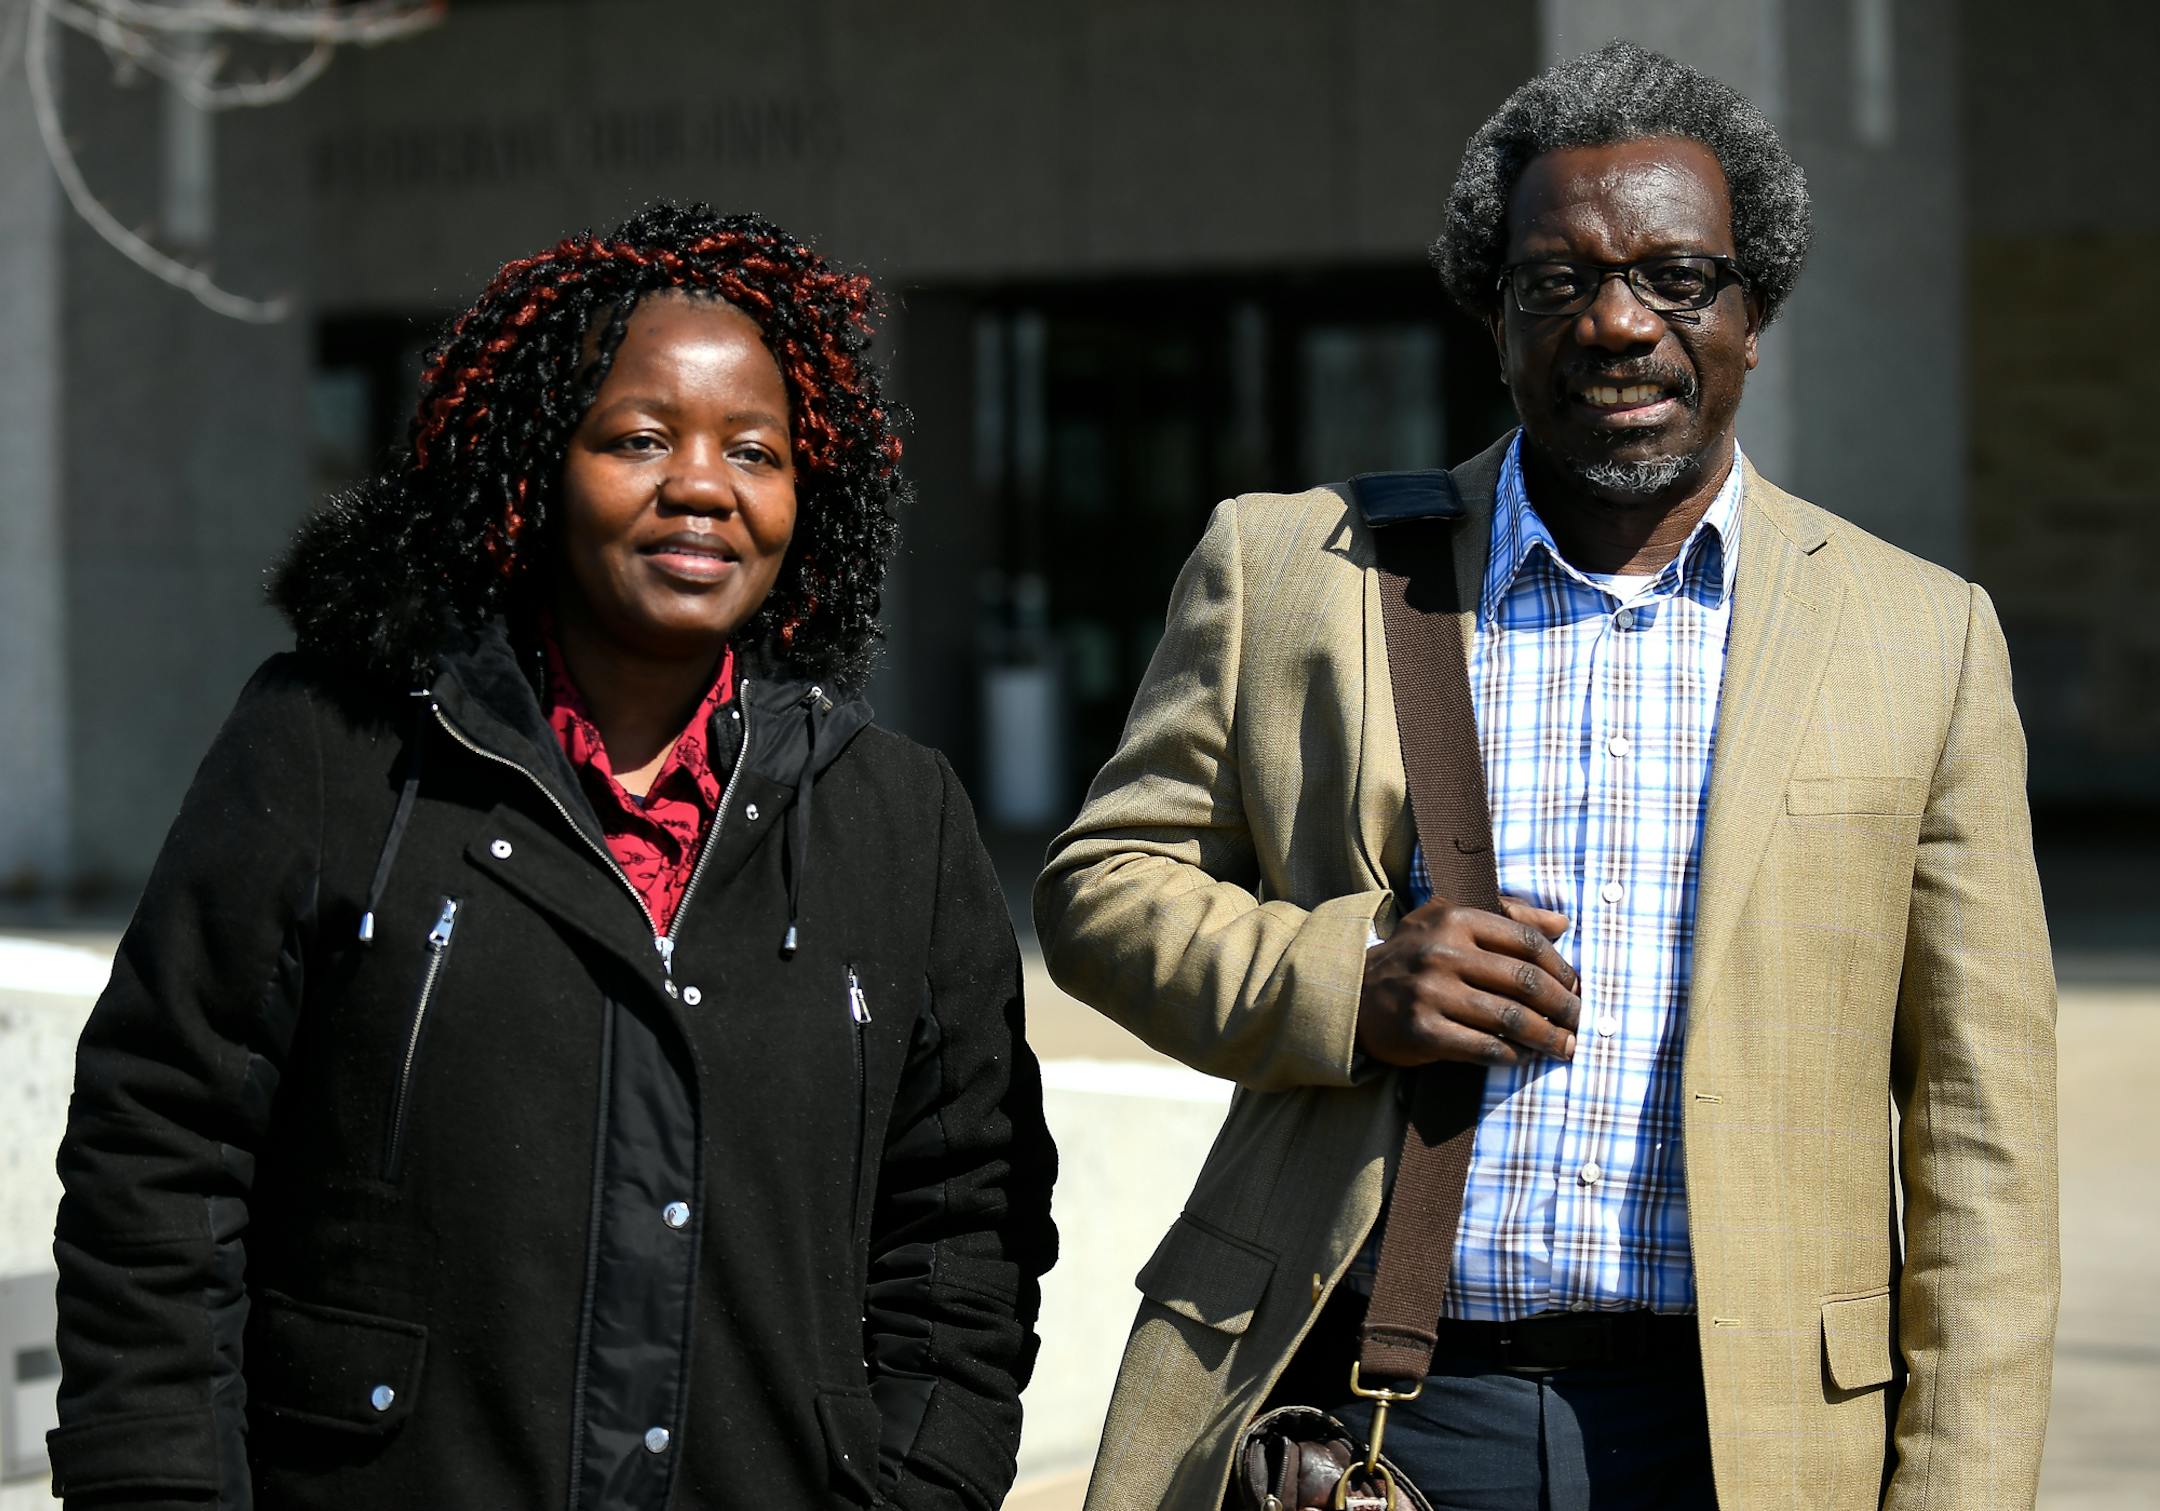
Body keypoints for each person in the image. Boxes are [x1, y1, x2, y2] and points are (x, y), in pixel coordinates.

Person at [1036, 41, 2055, 1511]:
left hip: (1748, 1438)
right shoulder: (1291, 567)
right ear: (1495, 323)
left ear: (1754, 312)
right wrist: (1349, 978)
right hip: (1366, 1414)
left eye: (1676, 279)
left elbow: (1985, 1144)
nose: (1619, 323)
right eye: (1556, 283)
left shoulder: (1921, 635)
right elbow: (1099, 887)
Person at [49, 202, 1057, 1511]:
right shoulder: (333, 748)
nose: (703, 485)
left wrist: (923, 1486)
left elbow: (963, 1228)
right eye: (639, 439)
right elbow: (160, 1155)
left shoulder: (897, 818)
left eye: (756, 451)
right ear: (534, 467)